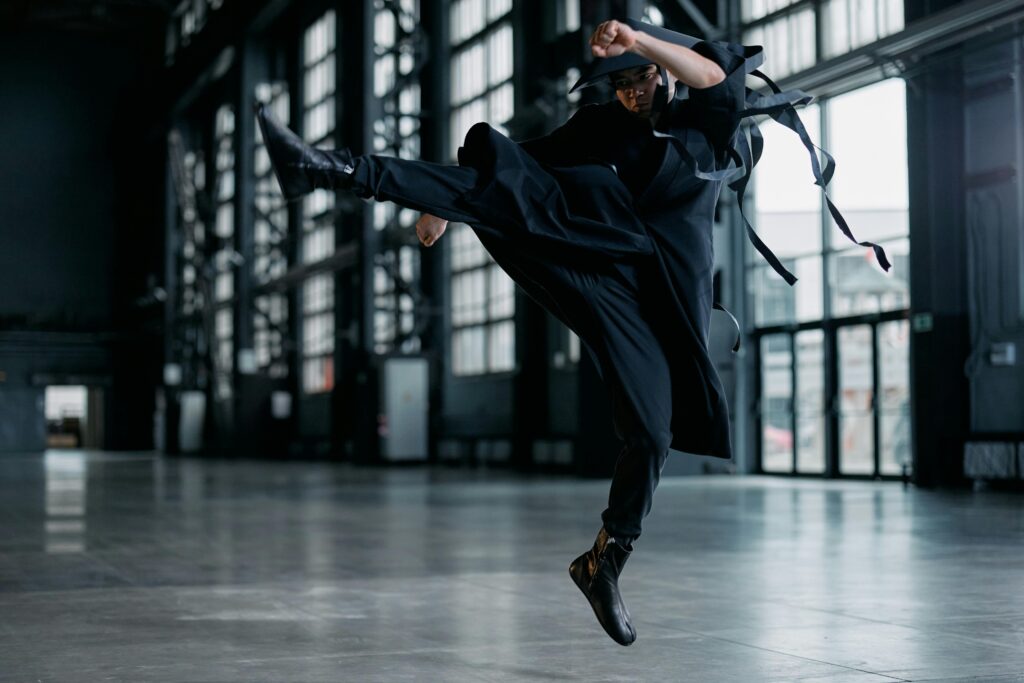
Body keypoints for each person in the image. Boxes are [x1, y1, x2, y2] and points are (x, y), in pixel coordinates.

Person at [255, 17, 890, 646]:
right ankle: (327, 170)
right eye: (620, 86)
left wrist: (639, 42)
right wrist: (439, 206)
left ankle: (603, 562)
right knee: (508, 189)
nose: (633, 94)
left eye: (641, 80)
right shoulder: (603, 126)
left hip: (666, 303)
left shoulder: (705, 121)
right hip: (603, 268)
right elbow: (520, 164)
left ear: (661, 72)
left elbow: (715, 74)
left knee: (653, 433)